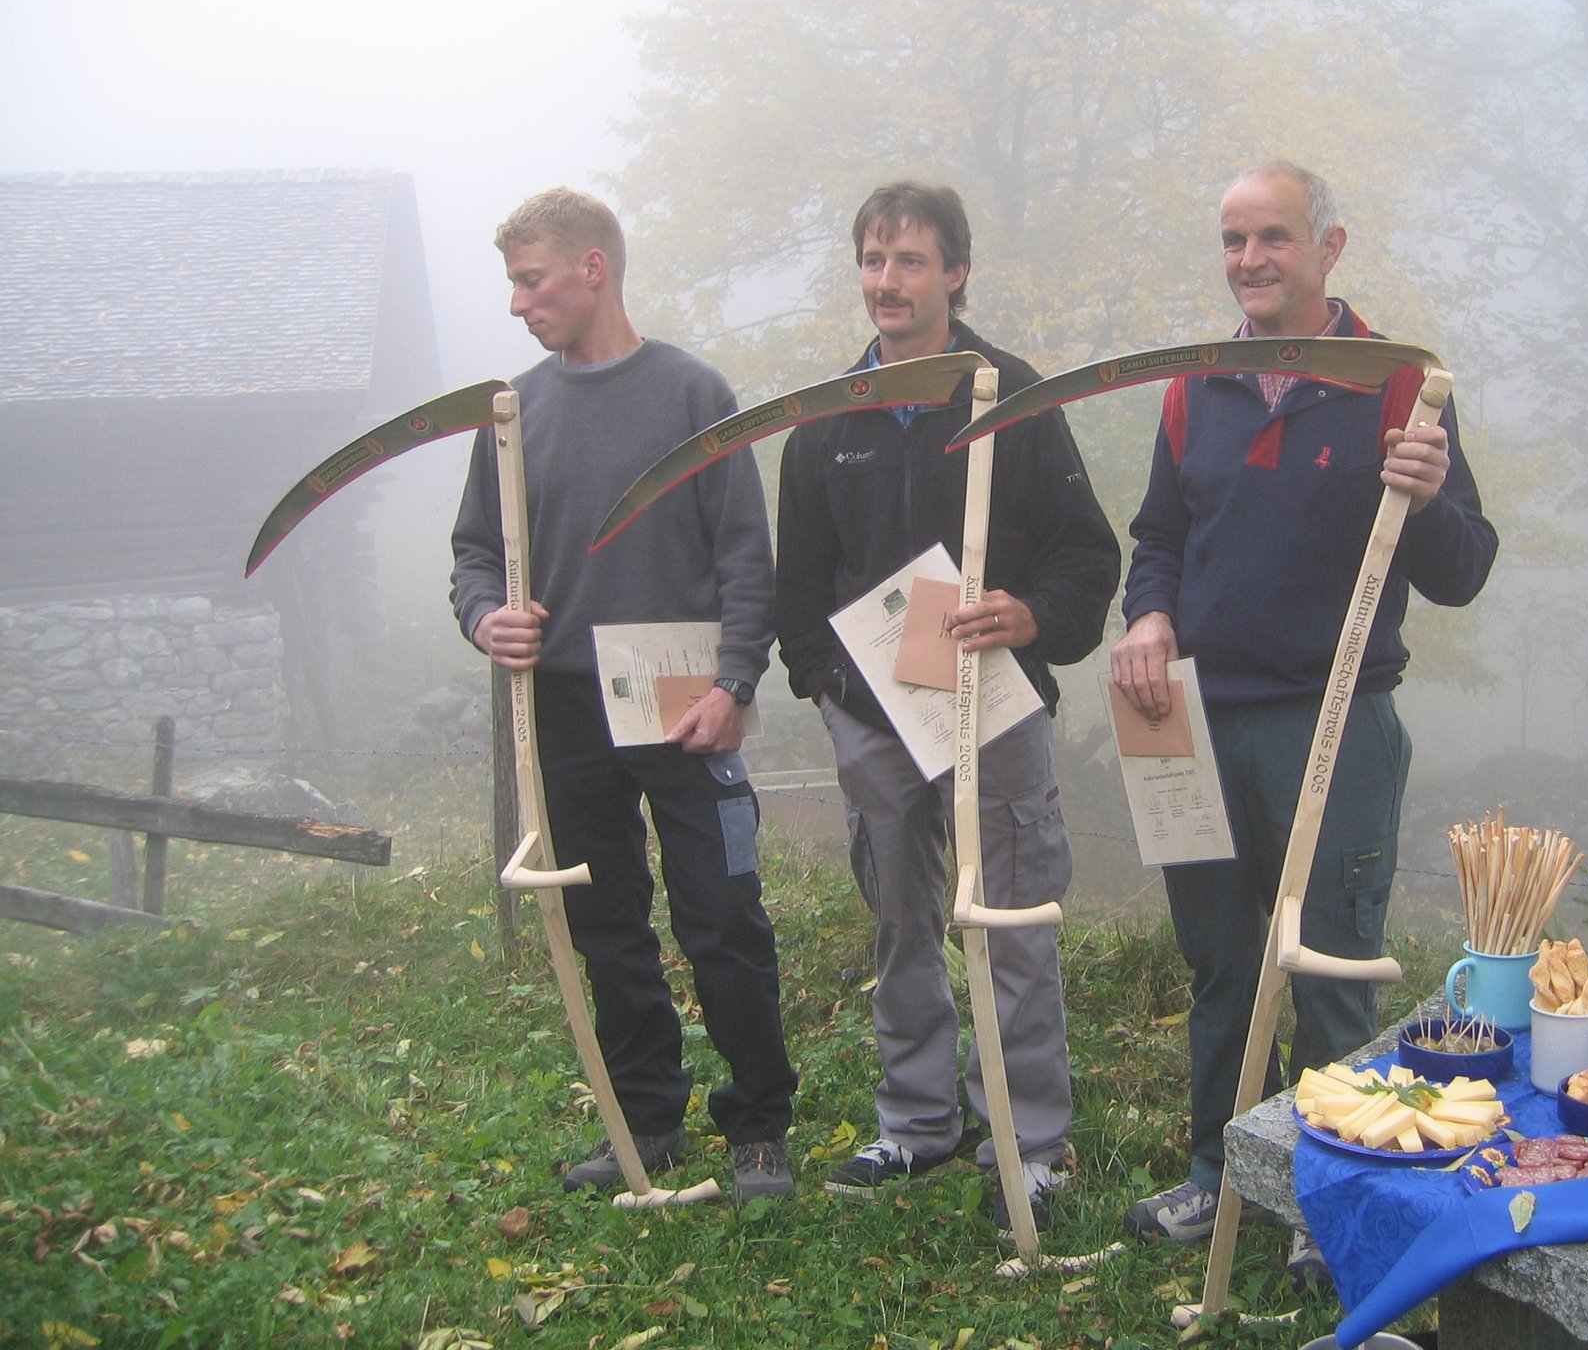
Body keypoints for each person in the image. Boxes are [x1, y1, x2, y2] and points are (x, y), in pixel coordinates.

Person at [1111, 161, 1497, 1274]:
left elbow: (1463, 570)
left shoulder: (1398, 383)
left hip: (1331, 719)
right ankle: (1219, 1175)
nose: (1249, 261)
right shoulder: (1195, 387)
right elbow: (1159, 538)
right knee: (1221, 966)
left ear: (1329, 248)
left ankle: (1334, 1199)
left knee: (1331, 969)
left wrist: (1427, 496)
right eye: (1233, 240)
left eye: (1273, 237)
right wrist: (1147, 616)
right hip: (1189, 721)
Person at [775, 181, 1120, 1234]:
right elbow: (799, 589)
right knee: (901, 919)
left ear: (955, 272)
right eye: (873, 261)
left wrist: (1030, 614)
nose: (887, 282)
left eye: (911, 261)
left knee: (1010, 919)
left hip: (994, 704)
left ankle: (1026, 1139)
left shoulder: (1011, 400)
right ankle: (916, 1123)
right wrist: (832, 688)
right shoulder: (826, 419)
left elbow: (1087, 556)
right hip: (874, 719)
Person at [450, 187, 798, 1201]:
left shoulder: (693, 394)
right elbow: (475, 554)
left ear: (592, 269)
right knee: (604, 924)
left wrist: (736, 682)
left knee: (723, 917)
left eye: (532, 281)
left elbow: (745, 552)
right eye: (513, 284)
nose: (517, 304)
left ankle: (758, 1127)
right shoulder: (512, 414)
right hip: (563, 710)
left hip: (687, 702)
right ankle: (646, 1121)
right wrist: (486, 618)